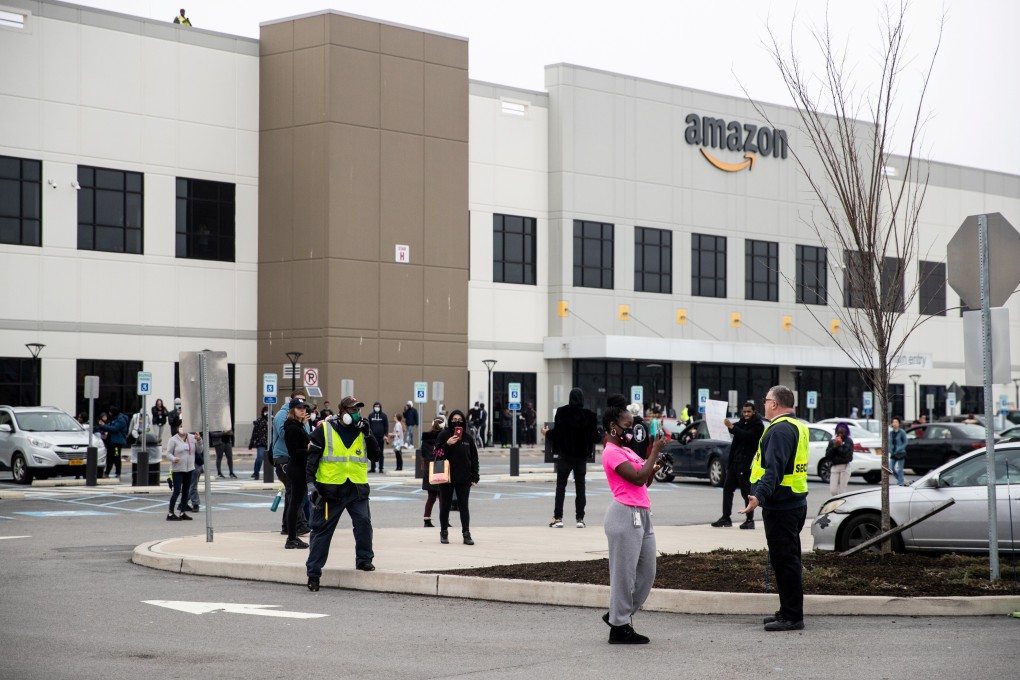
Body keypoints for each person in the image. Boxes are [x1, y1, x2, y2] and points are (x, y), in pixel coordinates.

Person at [739, 385, 809, 632]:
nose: (764, 403)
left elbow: (774, 469)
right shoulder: (797, 426)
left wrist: (758, 496)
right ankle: (787, 610)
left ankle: (792, 617)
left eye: (766, 399)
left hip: (782, 506)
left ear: (774, 404)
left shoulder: (779, 431)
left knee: (785, 561)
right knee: (787, 559)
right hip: (794, 502)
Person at [601, 393, 667, 644]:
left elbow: (645, 478)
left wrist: (654, 465)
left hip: (643, 514)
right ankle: (619, 628)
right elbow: (637, 478)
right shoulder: (611, 453)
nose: (630, 431)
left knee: (647, 574)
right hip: (624, 515)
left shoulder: (627, 450)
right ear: (612, 427)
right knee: (623, 575)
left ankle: (618, 615)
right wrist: (654, 452)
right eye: (627, 427)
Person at [304, 396, 381, 590]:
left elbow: (376, 456)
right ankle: (313, 573)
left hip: (356, 488)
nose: (356, 414)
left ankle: (364, 559)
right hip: (330, 491)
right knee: (322, 531)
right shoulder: (325, 430)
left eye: (358, 410)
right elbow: (311, 461)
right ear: (342, 412)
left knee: (364, 523)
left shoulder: (362, 431)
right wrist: (311, 487)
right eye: (352, 410)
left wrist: (369, 434)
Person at [543, 387, 599, 529]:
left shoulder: (562, 412)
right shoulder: (590, 416)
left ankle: (558, 517)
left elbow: (557, 434)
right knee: (581, 487)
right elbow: (595, 437)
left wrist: (546, 433)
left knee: (561, 487)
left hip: (565, 456)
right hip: (581, 457)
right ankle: (580, 518)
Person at [713, 401, 765, 529]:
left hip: (746, 464)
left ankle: (749, 520)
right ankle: (726, 517)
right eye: (744, 412)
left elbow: (746, 436)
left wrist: (731, 427)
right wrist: (720, 422)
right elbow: (735, 429)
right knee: (727, 489)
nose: (746, 414)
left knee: (746, 492)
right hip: (735, 463)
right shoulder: (742, 422)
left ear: (754, 412)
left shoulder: (758, 425)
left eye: (749, 412)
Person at [433, 409, 480, 545]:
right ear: (450, 421)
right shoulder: (443, 435)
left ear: (463, 422)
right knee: (445, 506)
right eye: (454, 420)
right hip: (446, 476)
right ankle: (444, 532)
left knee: (464, 506)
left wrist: (475, 476)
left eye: (459, 420)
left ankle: (466, 533)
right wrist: (447, 444)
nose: (456, 422)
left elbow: (474, 458)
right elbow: (436, 453)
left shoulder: (468, 438)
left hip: (464, 477)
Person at [274, 391, 308, 536]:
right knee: (293, 495)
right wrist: (309, 448)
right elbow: (286, 436)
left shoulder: (300, 422)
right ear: (292, 403)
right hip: (284, 458)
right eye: (299, 403)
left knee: (293, 496)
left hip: (293, 461)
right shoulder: (285, 418)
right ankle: (297, 527)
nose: (302, 408)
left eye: (304, 403)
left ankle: (288, 527)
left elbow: (306, 436)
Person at [282, 399, 312, 549]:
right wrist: (309, 449)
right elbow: (294, 452)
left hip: (299, 468)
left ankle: (292, 537)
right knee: (295, 503)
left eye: (304, 408)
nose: (302, 410)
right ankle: (291, 538)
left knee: (296, 502)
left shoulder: (298, 426)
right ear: (292, 410)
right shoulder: (292, 428)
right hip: (297, 468)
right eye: (299, 408)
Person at [165, 426, 198, 521]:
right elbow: (168, 453)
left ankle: (183, 512)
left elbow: (199, 450)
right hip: (178, 469)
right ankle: (170, 513)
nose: (183, 428)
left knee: (185, 491)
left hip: (189, 468)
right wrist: (174, 459)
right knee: (176, 491)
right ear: (177, 428)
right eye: (180, 426)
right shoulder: (173, 440)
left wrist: (199, 440)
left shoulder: (191, 438)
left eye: (185, 426)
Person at [420, 417, 444, 527]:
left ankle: (427, 520)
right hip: (440, 468)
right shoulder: (443, 438)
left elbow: (423, 454)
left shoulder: (425, 438)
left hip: (429, 469)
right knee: (443, 497)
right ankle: (445, 520)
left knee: (431, 497)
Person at [98, 406, 129, 479]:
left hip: (117, 444)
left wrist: (104, 425)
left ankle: (118, 473)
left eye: (110, 412)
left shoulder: (121, 420)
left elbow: (114, 429)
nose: (109, 414)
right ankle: (107, 472)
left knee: (116, 457)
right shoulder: (114, 419)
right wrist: (103, 426)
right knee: (109, 458)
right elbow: (110, 426)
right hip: (111, 443)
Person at [825, 422, 854, 496]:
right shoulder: (832, 441)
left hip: (845, 467)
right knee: (833, 490)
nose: (840, 434)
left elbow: (847, 456)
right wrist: (834, 446)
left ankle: (841, 505)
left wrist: (840, 446)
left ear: (846, 432)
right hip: (835, 466)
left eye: (842, 433)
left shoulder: (848, 441)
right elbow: (828, 456)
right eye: (838, 432)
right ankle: (835, 503)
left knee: (842, 491)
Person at [248, 406, 269, 479]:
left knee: (271, 459)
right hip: (261, 442)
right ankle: (256, 473)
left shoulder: (272, 420)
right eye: (265, 411)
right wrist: (251, 443)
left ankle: (269, 475)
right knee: (260, 457)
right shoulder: (259, 421)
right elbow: (254, 432)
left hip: (270, 443)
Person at [368, 401, 388, 473]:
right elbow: (369, 426)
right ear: (373, 407)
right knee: (372, 452)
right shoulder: (370, 416)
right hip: (373, 437)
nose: (377, 408)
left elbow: (386, 426)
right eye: (376, 406)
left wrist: (386, 435)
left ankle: (381, 468)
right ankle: (373, 468)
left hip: (381, 437)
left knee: (381, 453)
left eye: (378, 406)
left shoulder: (384, 416)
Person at [889, 416, 908, 485]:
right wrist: (890, 449)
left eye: (896, 422)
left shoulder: (902, 432)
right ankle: (900, 479)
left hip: (900, 453)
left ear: (899, 423)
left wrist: (900, 448)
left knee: (900, 469)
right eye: (893, 422)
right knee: (891, 468)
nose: (894, 423)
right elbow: (890, 442)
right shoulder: (891, 433)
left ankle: (900, 482)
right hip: (893, 453)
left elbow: (905, 442)